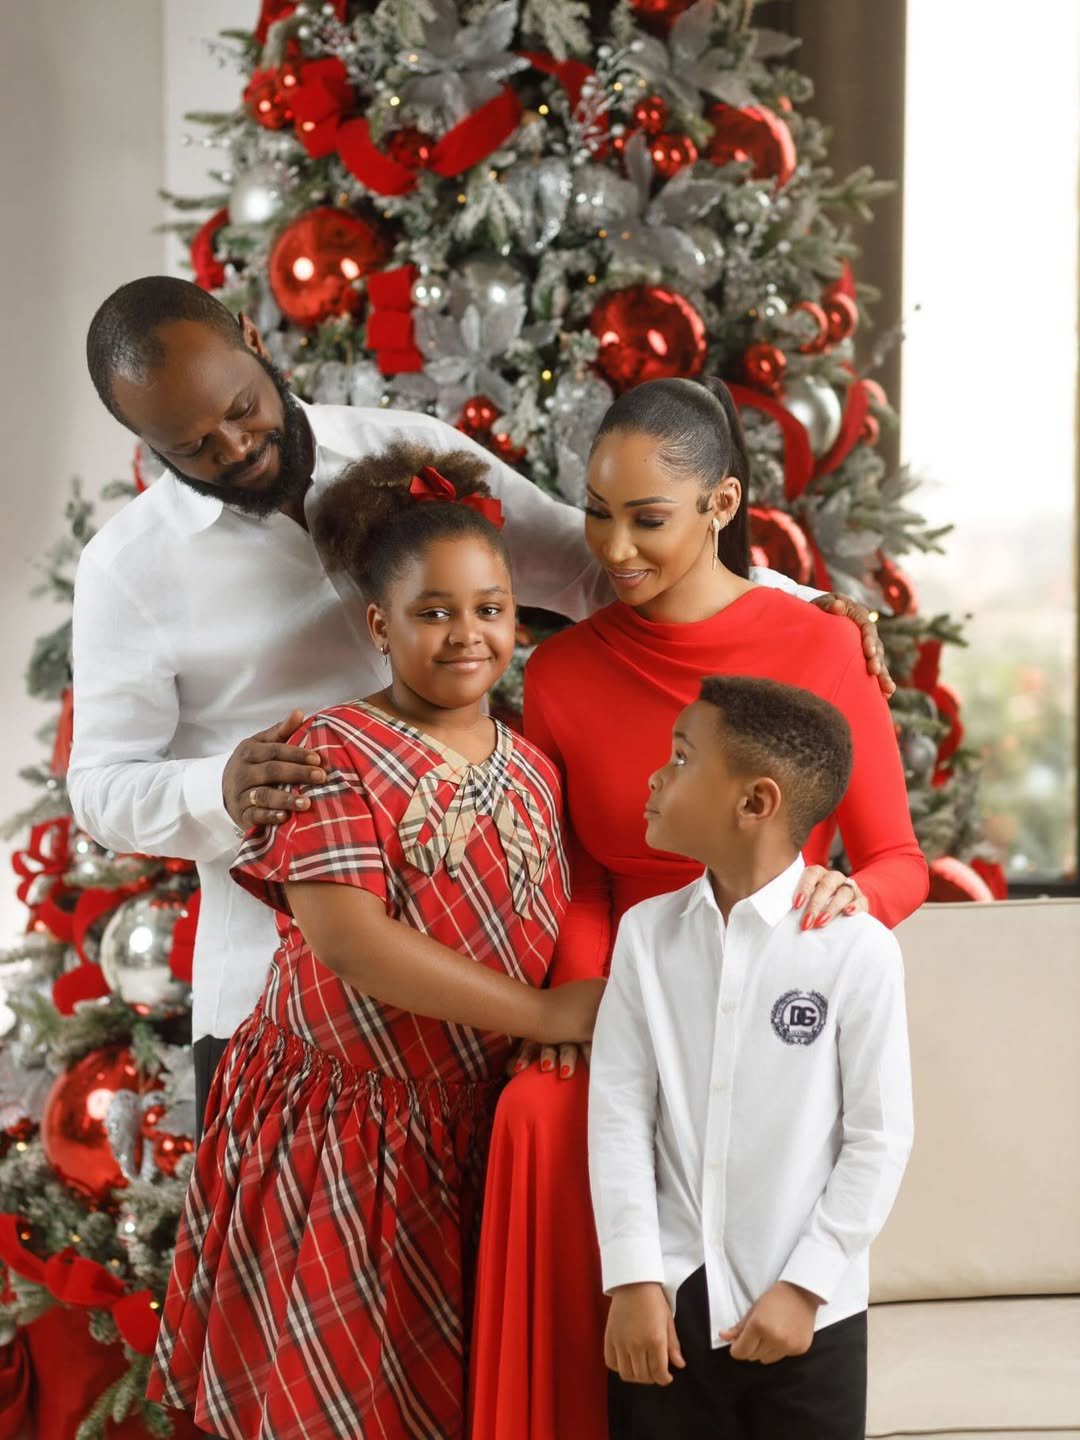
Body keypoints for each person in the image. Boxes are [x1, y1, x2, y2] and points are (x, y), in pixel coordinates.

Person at [69, 277, 881, 1131]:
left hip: (504, 990)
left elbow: (592, 563)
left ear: (251, 338)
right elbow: (99, 790)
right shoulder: (128, 570)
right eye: (192, 446)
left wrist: (788, 610)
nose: (234, 446)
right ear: (140, 437)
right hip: (281, 1012)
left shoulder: (409, 451)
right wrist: (218, 788)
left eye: (241, 409)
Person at [468, 377, 928, 1439]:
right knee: (540, 1113)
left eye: (648, 518)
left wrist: (846, 894)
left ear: (721, 507)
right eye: (596, 510)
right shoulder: (564, 671)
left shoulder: (820, 648)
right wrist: (581, 1005)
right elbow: (579, 869)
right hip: (633, 976)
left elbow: (898, 856)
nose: (613, 547)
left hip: (784, 969)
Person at [147, 445, 604, 1440]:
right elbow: (350, 941)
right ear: (379, 626)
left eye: (488, 608)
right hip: (346, 1131)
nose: (466, 634)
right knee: (343, 1396)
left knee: (455, 1391)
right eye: (433, 612)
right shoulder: (331, 751)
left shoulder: (533, 765)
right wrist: (542, 1013)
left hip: (472, 1127)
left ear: (517, 619)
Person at [591, 676, 914, 1440]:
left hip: (811, 1317)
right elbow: (619, 1113)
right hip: (666, 1311)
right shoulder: (646, 935)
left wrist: (805, 1288)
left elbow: (880, 1139)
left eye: (680, 757)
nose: (655, 777)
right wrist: (633, 1280)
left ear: (755, 802)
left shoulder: (856, 948)